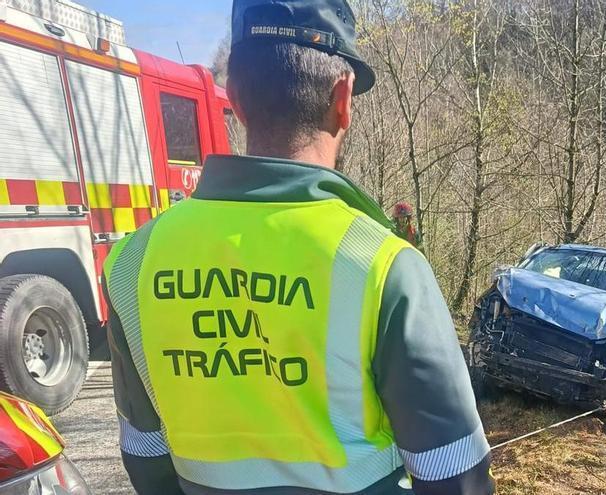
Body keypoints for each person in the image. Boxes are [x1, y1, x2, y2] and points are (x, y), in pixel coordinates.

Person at [102, 1, 494, 494]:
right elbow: (454, 475)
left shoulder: (132, 264)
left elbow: (145, 457)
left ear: (235, 98)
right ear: (342, 98)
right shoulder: (384, 267)